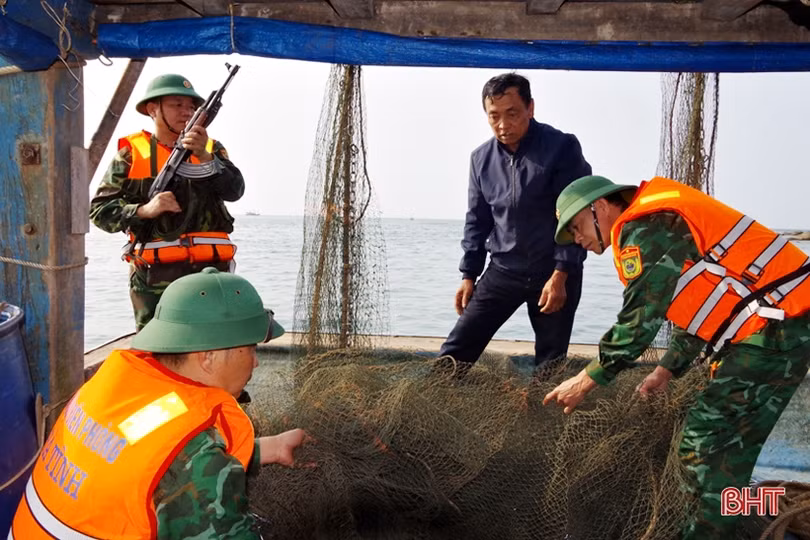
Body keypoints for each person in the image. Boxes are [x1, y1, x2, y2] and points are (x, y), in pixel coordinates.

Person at [543, 175, 810, 539]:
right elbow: (707, 307)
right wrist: (667, 370)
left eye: (576, 227)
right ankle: (734, 524)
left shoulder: (642, 227)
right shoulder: (659, 221)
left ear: (600, 207)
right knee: (734, 455)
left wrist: (586, 378)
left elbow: (639, 320)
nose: (578, 240)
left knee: (699, 445)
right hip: (786, 327)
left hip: (775, 331)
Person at [9, 267, 308, 539]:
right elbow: (186, 463)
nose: (256, 363)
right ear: (208, 357)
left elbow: (148, 455)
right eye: (250, 348)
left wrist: (271, 448)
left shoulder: (117, 387)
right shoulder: (193, 449)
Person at [437, 73, 592, 374]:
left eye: (512, 114)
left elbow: (578, 215)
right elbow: (477, 220)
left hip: (554, 272)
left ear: (530, 108)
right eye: (494, 116)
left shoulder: (562, 147)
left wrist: (561, 274)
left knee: (550, 365)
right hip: (504, 269)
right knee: (456, 350)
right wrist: (469, 274)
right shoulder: (480, 159)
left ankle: (541, 414)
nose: (503, 125)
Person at [90, 73, 245, 331]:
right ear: (153, 109)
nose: (186, 112)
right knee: (158, 349)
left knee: (215, 346)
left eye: (191, 106)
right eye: (176, 104)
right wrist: (145, 210)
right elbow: (99, 213)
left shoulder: (212, 149)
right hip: (155, 278)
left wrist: (206, 159)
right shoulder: (130, 154)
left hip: (211, 274)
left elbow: (235, 190)